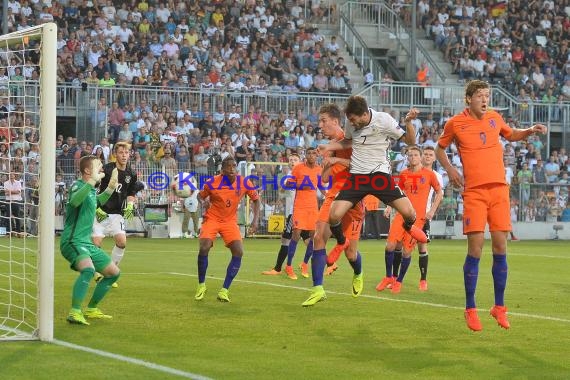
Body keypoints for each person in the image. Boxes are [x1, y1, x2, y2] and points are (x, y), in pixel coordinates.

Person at [435, 79, 547, 332]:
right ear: (469, 99)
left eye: (487, 96)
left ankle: (499, 307)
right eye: (480, 96)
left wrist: (530, 130)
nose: (485, 100)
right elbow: (439, 149)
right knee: (475, 249)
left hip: (499, 190)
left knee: (500, 246)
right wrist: (451, 169)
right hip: (474, 192)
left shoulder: (495, 117)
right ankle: (470, 308)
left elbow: (512, 134)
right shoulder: (456, 123)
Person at [316, 96, 427, 268]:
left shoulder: (383, 120)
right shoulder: (350, 122)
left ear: (364, 114)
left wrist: (409, 122)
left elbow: (410, 142)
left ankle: (409, 228)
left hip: (379, 176)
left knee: (410, 214)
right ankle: (341, 242)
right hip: (358, 177)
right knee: (334, 215)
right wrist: (329, 147)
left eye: (353, 119)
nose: (351, 123)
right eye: (349, 119)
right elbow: (348, 141)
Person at [302, 103, 365, 307]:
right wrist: (326, 168)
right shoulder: (328, 146)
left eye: (323, 121)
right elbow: (327, 179)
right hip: (333, 194)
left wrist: (336, 159)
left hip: (353, 197)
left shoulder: (350, 140)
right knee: (318, 237)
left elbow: (361, 165)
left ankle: (358, 272)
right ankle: (318, 289)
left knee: (350, 253)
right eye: (319, 121)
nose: (320, 125)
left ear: (336, 121)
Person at [60, 155, 120, 325]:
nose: (102, 168)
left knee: (113, 273)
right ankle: (74, 312)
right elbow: (74, 201)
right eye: (98, 165)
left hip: (85, 242)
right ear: (87, 170)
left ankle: (92, 309)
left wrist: (109, 188)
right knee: (88, 270)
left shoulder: (91, 190)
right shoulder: (78, 186)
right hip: (72, 241)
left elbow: (96, 202)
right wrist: (91, 182)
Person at [375, 146, 443, 294]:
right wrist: (389, 206)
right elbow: (396, 193)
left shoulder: (430, 175)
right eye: (410, 155)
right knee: (390, 246)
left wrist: (431, 211)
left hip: (418, 220)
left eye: (415, 155)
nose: (412, 157)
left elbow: (439, 192)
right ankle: (388, 277)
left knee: (407, 252)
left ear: (420, 157)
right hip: (401, 215)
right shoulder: (403, 174)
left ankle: (399, 281)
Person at [194, 156, 260, 302]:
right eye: (228, 167)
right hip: (212, 218)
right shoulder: (212, 182)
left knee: (239, 252)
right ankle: (201, 285)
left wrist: (255, 221)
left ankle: (224, 290)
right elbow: (199, 195)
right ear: (222, 170)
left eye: (234, 166)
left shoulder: (243, 182)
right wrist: (203, 201)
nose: (232, 169)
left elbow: (256, 200)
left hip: (229, 221)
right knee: (204, 248)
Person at [92, 142, 139, 288]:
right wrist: (95, 207)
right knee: (96, 244)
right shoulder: (106, 169)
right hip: (100, 212)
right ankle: (95, 272)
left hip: (117, 214)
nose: (124, 155)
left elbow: (131, 193)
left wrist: (130, 205)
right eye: (121, 152)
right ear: (115, 154)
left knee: (122, 242)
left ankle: (110, 272)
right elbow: (92, 188)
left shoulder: (131, 173)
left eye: (126, 152)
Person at [261, 153, 312, 276]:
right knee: (308, 241)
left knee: (286, 240)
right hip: (302, 212)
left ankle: (278, 268)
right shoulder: (290, 175)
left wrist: (285, 187)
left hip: (296, 212)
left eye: (295, 159)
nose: (292, 161)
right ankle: (327, 263)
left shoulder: (299, 174)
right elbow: (284, 192)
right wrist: (283, 189)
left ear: (300, 162)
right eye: (290, 160)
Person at [281, 148, 322, 280]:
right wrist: (301, 185)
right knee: (296, 234)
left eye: (313, 154)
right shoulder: (298, 168)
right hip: (300, 206)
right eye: (309, 153)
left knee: (313, 237)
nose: (311, 156)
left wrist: (328, 196)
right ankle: (288, 266)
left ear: (316, 156)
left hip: (313, 207)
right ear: (306, 156)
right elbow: (288, 184)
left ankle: (304, 264)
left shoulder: (319, 169)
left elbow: (320, 185)